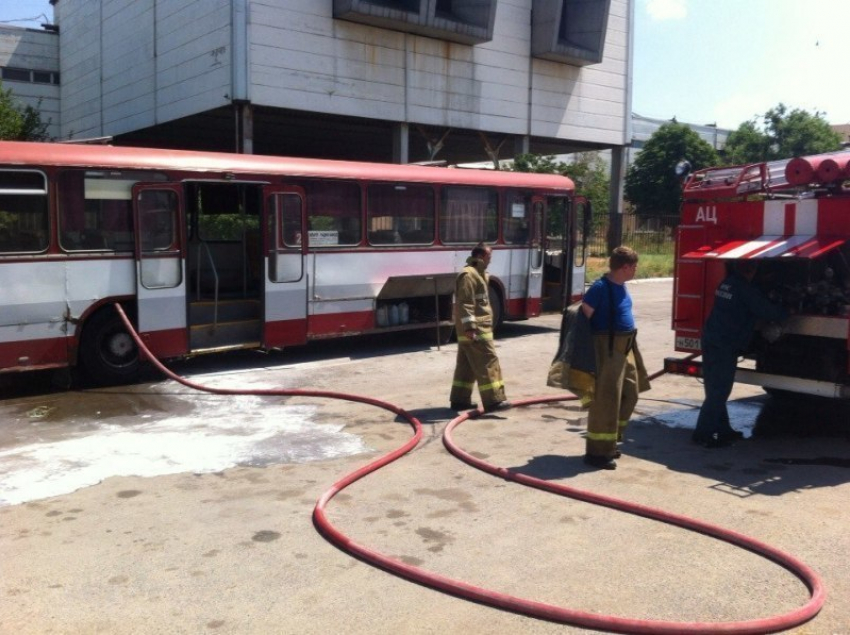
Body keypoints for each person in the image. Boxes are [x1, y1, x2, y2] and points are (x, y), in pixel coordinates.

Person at [693, 260, 789, 448]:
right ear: (752, 271)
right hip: (724, 344)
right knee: (720, 391)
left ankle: (723, 430)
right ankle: (702, 434)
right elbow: (768, 311)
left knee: (714, 389)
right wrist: (788, 311)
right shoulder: (746, 290)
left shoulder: (726, 283)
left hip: (711, 338)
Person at [580, 246, 650, 469]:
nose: (636, 270)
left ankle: (611, 439)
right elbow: (583, 320)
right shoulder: (600, 288)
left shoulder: (621, 286)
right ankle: (597, 453)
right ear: (625, 267)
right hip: (606, 350)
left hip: (625, 349)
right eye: (634, 266)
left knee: (631, 393)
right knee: (606, 402)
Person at [449, 243, 510, 413]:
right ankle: (494, 401)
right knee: (488, 362)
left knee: (466, 366)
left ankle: (459, 400)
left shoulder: (479, 274)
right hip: (477, 330)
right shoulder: (468, 275)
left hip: (474, 329)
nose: (490, 260)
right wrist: (470, 327)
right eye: (489, 257)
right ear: (482, 256)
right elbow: (465, 303)